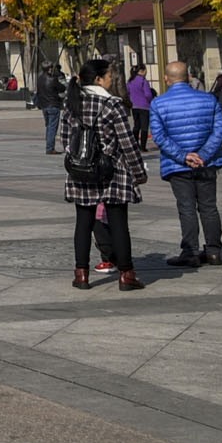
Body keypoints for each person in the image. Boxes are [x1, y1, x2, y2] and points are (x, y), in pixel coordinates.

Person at [63, 57, 148, 291]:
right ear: (99, 79)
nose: (112, 80)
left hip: (81, 170)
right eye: (109, 76)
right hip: (113, 169)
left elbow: (65, 140)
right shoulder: (112, 104)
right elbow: (127, 141)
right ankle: (126, 275)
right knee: (119, 223)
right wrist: (138, 172)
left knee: (83, 222)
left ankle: (81, 274)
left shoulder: (71, 103)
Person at [149, 60, 222, 267]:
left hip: (177, 165)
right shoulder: (209, 99)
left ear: (166, 79)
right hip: (207, 163)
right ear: (188, 77)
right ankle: (213, 251)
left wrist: (184, 156)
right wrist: (203, 154)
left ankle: (191, 252)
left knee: (186, 208)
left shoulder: (159, 103)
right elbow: (219, 130)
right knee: (209, 207)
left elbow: (159, 136)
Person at [35, 64, 66, 155]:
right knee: (52, 127)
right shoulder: (53, 79)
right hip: (53, 104)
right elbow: (62, 88)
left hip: (44, 105)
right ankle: (50, 148)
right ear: (49, 69)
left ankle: (49, 145)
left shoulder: (40, 79)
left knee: (49, 126)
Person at [124, 64, 154, 152]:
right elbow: (148, 94)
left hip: (134, 106)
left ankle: (135, 144)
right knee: (144, 127)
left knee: (136, 125)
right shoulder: (143, 81)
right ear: (142, 71)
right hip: (144, 106)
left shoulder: (130, 81)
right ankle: (143, 146)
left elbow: (128, 93)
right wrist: (151, 100)